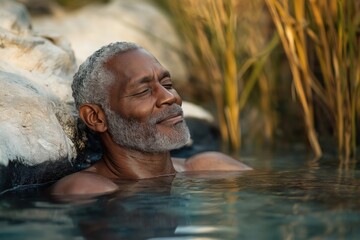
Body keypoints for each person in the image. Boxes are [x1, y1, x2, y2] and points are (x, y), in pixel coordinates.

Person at [52, 42, 251, 196]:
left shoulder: (211, 167)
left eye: (168, 83)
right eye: (144, 90)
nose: (170, 97)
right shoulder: (86, 189)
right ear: (96, 118)